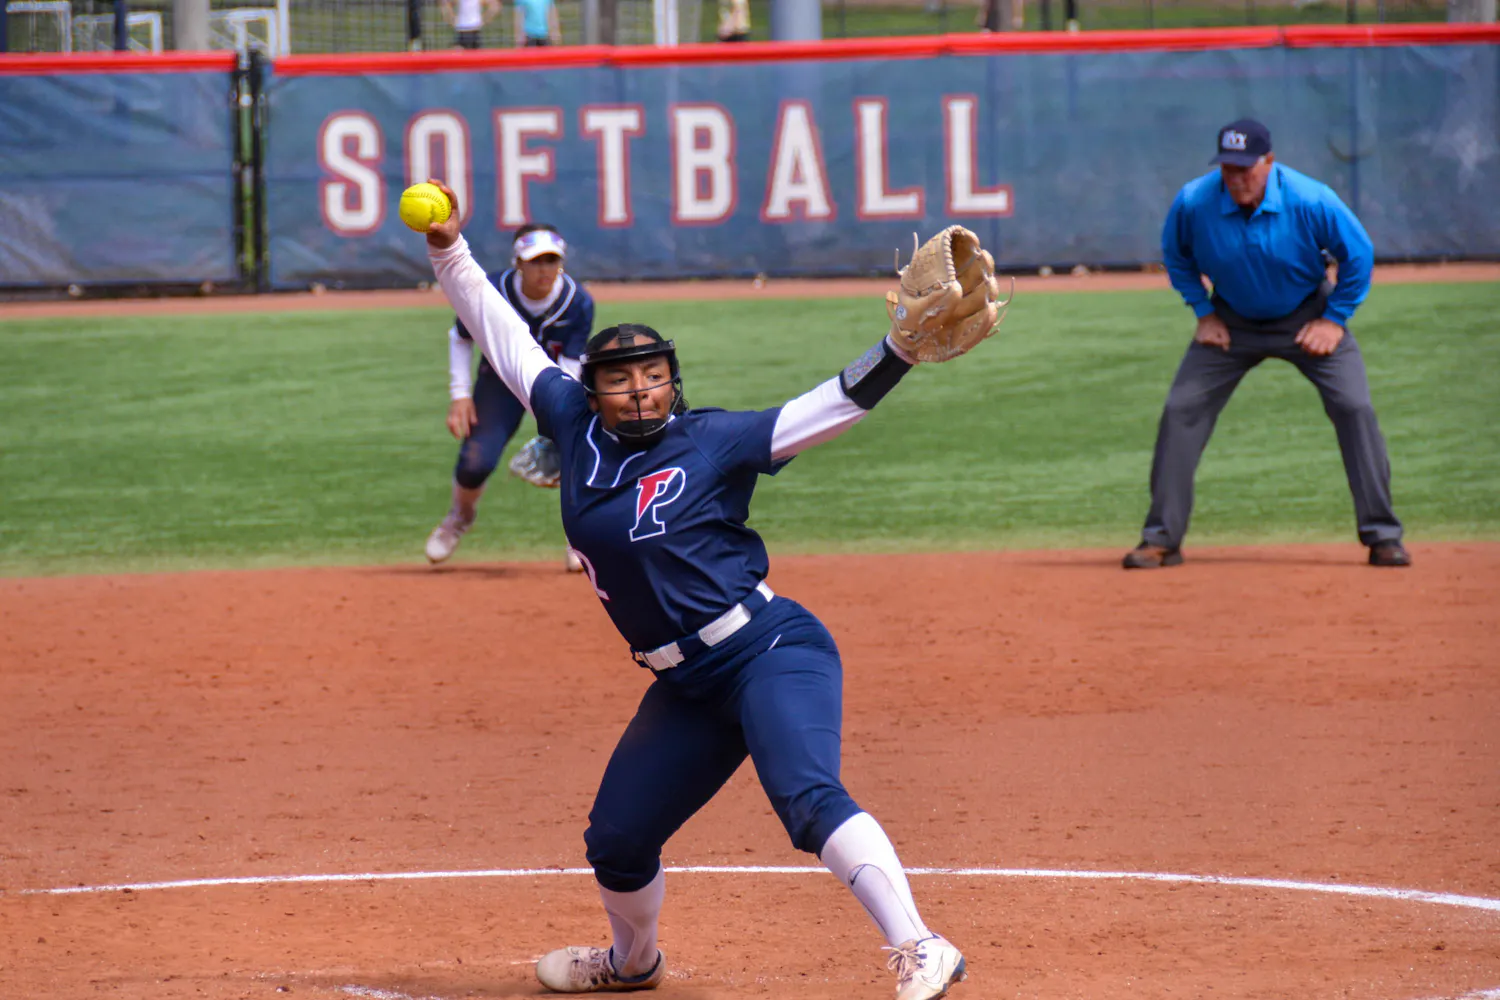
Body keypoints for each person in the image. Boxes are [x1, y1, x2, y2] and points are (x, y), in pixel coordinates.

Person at [419, 179, 974, 999]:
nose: (641, 389)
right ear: (593, 387)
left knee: (808, 799)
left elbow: (823, 409)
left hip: (769, 650)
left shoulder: (709, 440)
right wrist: (448, 250)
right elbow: (500, 331)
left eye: (653, 374)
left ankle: (922, 946)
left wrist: (893, 352)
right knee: (615, 839)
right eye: (623, 378)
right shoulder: (569, 422)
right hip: (683, 685)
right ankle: (632, 963)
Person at [1124, 118, 1410, 570]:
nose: (1236, 178)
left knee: (1355, 407)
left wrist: (1334, 320)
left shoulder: (1310, 199)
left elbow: (1359, 256)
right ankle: (1161, 538)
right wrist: (1203, 311)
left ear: (1269, 162)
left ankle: (1383, 535)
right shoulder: (1195, 201)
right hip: (1231, 321)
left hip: (1307, 316)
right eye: (1228, 169)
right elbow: (1176, 255)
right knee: (1181, 411)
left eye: (1245, 168)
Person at [425, 223, 594, 572]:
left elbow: (571, 363)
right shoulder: (495, 288)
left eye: (552, 260)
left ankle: (580, 539)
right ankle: (460, 516)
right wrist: (459, 395)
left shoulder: (578, 302)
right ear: (518, 262)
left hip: (551, 383)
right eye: (535, 261)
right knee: (475, 462)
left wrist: (558, 420)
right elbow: (460, 336)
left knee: (579, 454)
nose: (544, 269)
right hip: (498, 383)